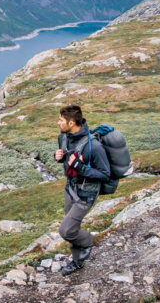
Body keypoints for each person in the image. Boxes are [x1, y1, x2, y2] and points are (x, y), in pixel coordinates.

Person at [54, 105, 111, 276]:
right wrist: (59, 158)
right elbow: (68, 162)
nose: (58, 123)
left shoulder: (94, 146)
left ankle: (88, 241)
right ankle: (77, 262)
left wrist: (80, 167)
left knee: (66, 230)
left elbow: (105, 174)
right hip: (70, 189)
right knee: (72, 229)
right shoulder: (63, 138)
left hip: (86, 194)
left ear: (71, 122)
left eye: (61, 120)